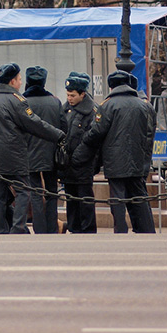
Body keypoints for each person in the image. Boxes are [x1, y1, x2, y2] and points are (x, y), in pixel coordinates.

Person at [0, 63, 65, 234]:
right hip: (13, 156)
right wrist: (58, 135)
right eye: (18, 79)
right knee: (23, 191)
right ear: (12, 81)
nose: (20, 83)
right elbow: (34, 124)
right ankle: (17, 228)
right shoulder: (16, 100)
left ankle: (2, 231)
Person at [73, 70, 156, 233]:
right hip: (138, 160)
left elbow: (97, 132)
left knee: (117, 197)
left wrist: (85, 142)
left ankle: (121, 230)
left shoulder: (107, 105)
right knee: (139, 197)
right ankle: (146, 230)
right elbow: (148, 133)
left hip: (115, 161)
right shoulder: (142, 104)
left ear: (112, 87)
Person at [23, 66, 65, 234]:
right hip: (51, 154)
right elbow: (64, 126)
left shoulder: (22, 101)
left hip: (29, 152)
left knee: (34, 192)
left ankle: (39, 229)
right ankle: (52, 228)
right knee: (52, 192)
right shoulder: (54, 101)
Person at [58, 72, 98, 234]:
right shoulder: (65, 109)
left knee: (84, 199)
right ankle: (74, 228)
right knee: (71, 198)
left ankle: (88, 229)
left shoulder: (92, 111)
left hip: (83, 164)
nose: (69, 98)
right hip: (67, 164)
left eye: (73, 95)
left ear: (82, 94)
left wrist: (76, 158)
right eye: (68, 95)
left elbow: (91, 138)